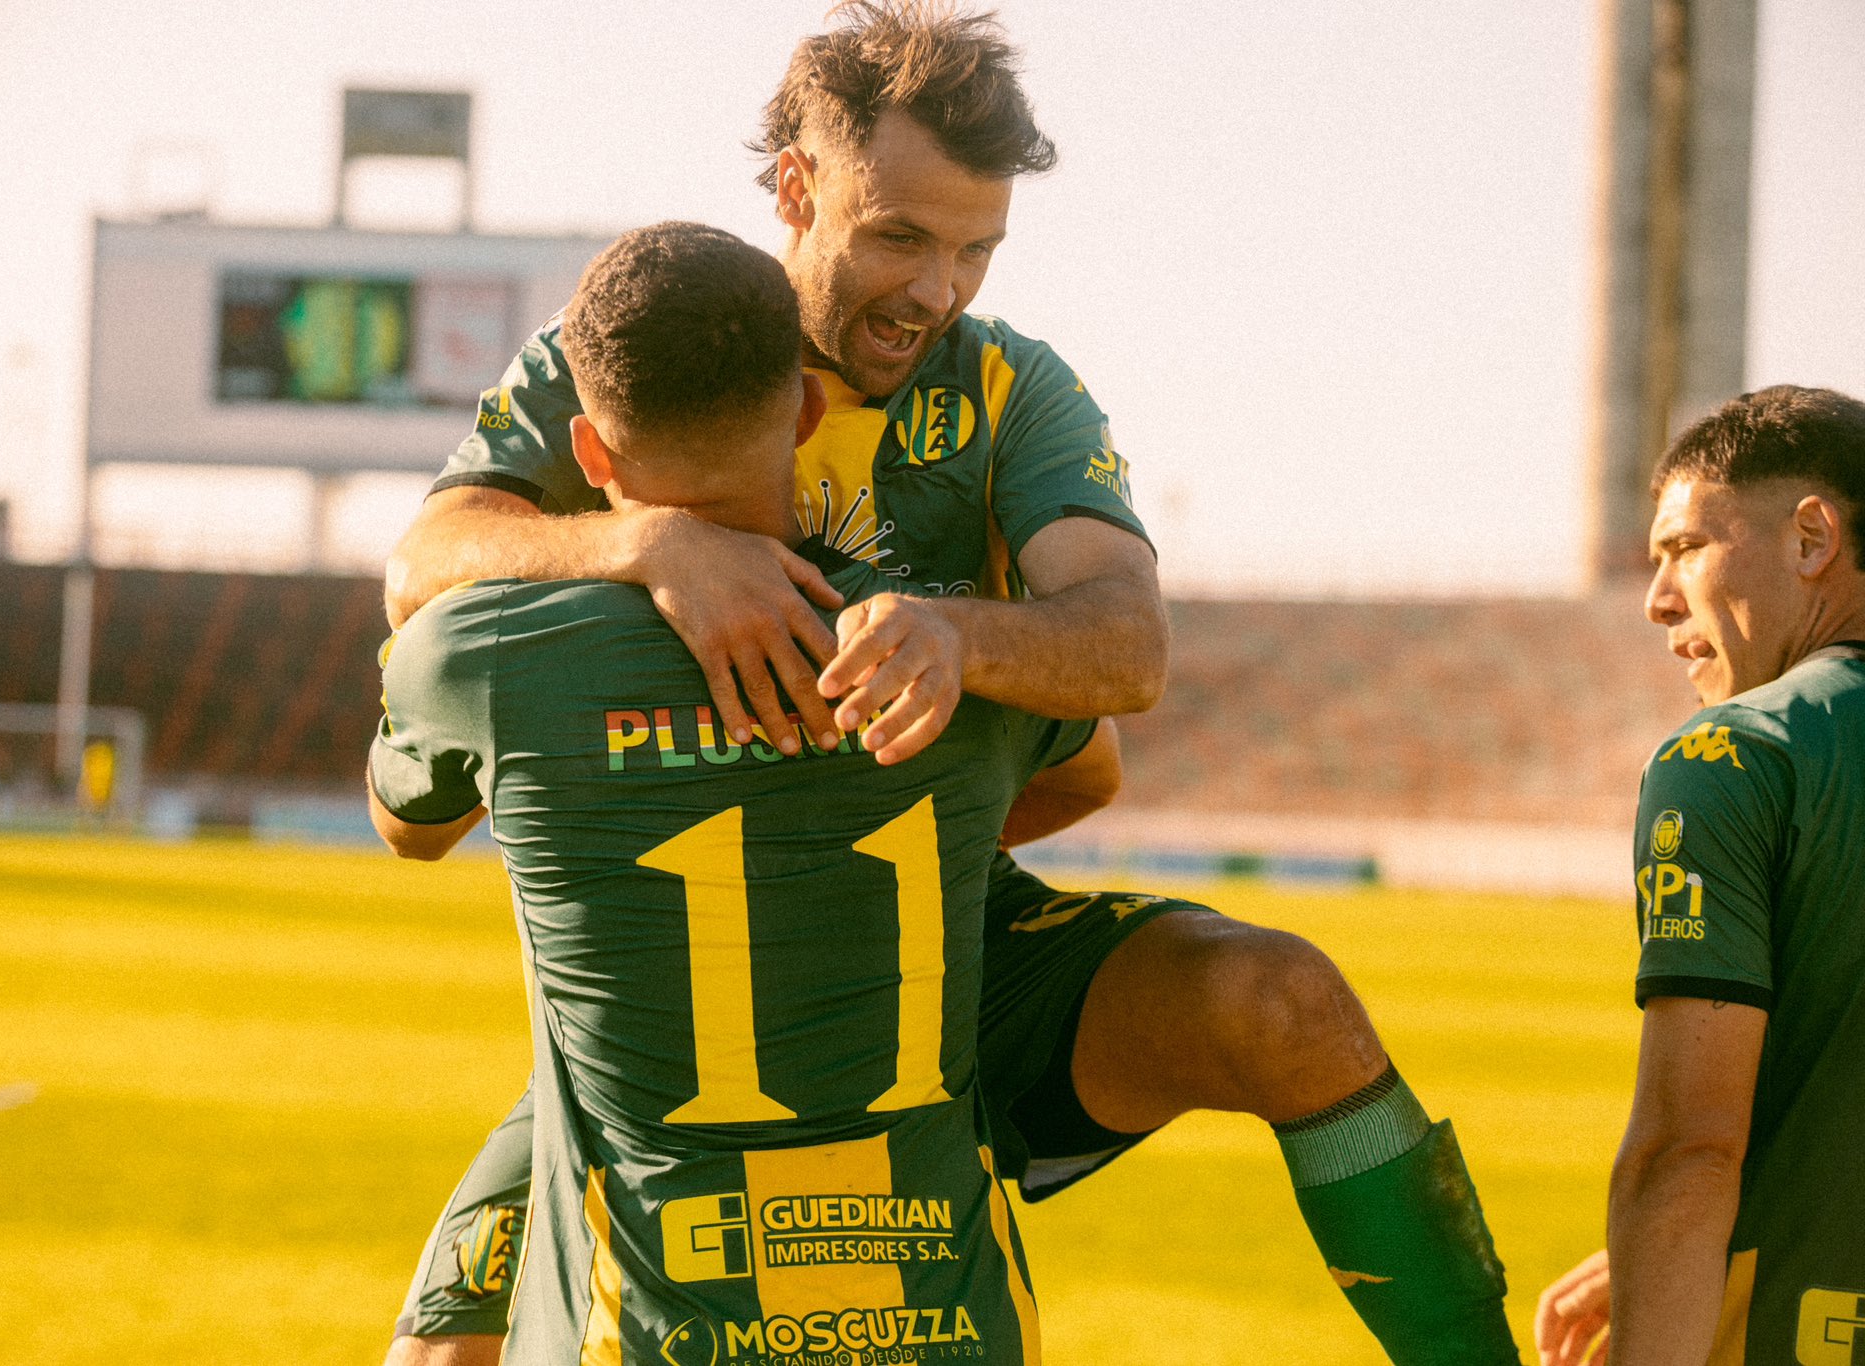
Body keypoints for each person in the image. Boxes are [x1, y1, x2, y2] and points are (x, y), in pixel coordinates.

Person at [385, 6, 1519, 1364]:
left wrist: (955, 644)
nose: (938, 290)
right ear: (798, 187)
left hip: (950, 949)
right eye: (900, 238)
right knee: (447, 1343)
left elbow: (1128, 643)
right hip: (673, 1005)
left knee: (1281, 1002)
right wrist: (642, 541)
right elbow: (425, 562)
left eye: (976, 250)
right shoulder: (652, 339)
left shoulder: (1010, 390)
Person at [370, 219, 1114, 1365]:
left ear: (591, 453)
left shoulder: (479, 656)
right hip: (939, 1324)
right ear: (806, 414)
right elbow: (1093, 772)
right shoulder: (948, 662)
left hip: (640, 1332)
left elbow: (408, 827)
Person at [1533, 385, 1865, 1366]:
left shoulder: (1734, 755)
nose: (1657, 599)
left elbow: (1689, 1150)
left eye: (1683, 547)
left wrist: (1668, 1283)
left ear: (1811, 537)